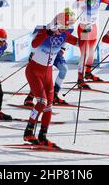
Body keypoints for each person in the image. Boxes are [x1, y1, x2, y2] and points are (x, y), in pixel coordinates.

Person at [23, 12, 78, 148]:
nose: (67, 29)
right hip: (34, 71)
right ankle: (28, 132)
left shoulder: (64, 34)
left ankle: (43, 136)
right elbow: (34, 43)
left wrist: (86, 35)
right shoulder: (45, 31)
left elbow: (78, 42)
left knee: (49, 106)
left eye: (69, 26)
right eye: (66, 25)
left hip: (47, 72)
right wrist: (47, 33)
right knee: (41, 102)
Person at [72, 0, 109, 89]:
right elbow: (74, 5)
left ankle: (88, 73)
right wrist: (84, 3)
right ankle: (80, 79)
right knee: (84, 54)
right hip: (84, 27)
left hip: (93, 27)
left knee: (91, 53)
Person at [23, 9, 75, 106]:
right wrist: (32, 53)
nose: (70, 23)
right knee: (41, 76)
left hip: (57, 53)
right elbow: (38, 40)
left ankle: (54, 94)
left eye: (72, 20)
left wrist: (63, 49)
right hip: (45, 52)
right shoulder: (54, 25)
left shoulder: (70, 28)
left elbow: (65, 39)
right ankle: (30, 96)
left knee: (64, 69)